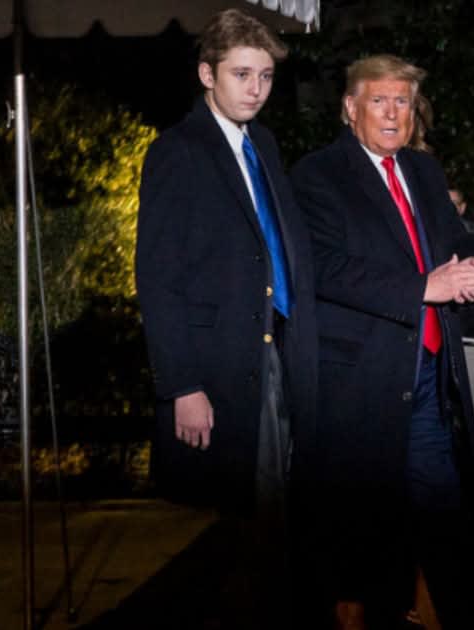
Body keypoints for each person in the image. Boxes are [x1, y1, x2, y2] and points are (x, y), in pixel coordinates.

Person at [290, 54, 474, 628]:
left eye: (402, 101)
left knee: (439, 501)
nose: (392, 112)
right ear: (350, 108)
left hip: (429, 370)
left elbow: (455, 239)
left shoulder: (425, 172)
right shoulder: (317, 175)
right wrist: (423, 286)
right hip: (361, 375)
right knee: (359, 513)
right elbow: (322, 268)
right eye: (379, 100)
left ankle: (429, 608)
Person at [135, 9, 317, 626]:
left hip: (280, 346)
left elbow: (278, 245)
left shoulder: (262, 143)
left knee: (282, 505)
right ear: (207, 74)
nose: (255, 89)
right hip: (224, 362)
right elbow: (158, 279)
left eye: (265, 76)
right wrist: (181, 385)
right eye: (242, 74)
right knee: (252, 516)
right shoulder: (177, 151)